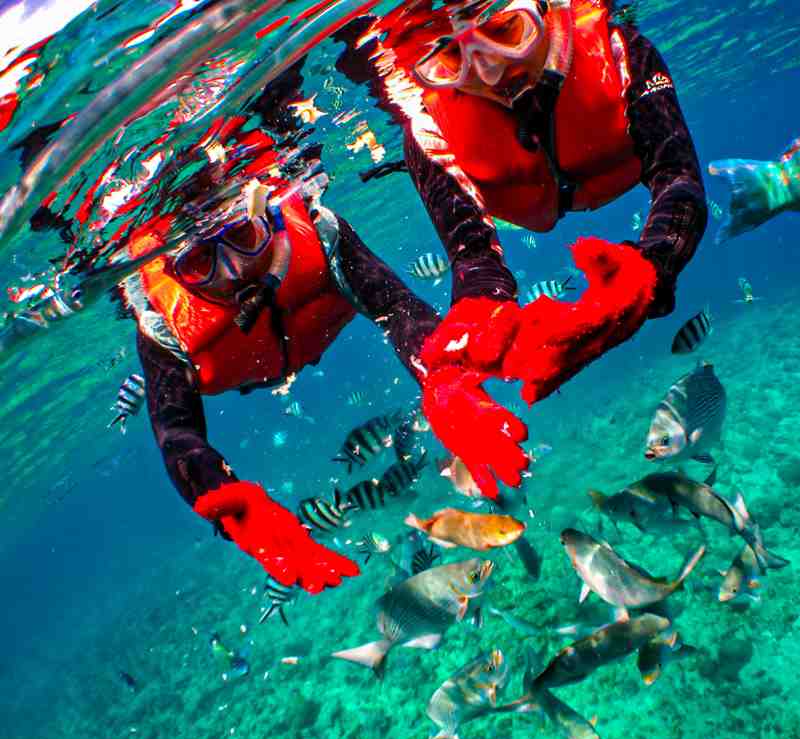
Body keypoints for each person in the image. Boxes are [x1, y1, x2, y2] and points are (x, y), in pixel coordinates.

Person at [336, 0, 708, 497]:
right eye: (448, 58)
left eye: (506, 29)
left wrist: (650, 270)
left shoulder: (622, 54)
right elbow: (476, 265)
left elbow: (678, 178)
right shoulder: (428, 125)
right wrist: (445, 370)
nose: (488, 70)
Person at [117, 116, 444, 594]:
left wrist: (444, 377)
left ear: (264, 214)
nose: (232, 272)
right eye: (197, 262)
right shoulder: (163, 322)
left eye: (243, 236)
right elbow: (176, 434)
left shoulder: (316, 229)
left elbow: (397, 307)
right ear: (171, 269)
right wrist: (221, 496)